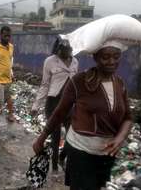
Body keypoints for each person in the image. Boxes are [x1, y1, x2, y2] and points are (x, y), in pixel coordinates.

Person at [33, 40, 133, 190]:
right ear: (96, 57)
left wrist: (120, 138)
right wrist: (41, 138)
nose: (112, 61)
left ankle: (60, 159)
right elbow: (59, 112)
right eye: (105, 57)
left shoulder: (120, 84)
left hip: (106, 156)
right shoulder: (79, 81)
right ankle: (56, 162)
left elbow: (128, 118)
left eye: (116, 56)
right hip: (81, 153)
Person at [31, 36, 79, 173]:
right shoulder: (50, 62)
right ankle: (54, 168)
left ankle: (62, 157)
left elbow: (75, 84)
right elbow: (45, 85)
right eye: (64, 49)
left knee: (72, 135)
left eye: (69, 49)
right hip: (53, 103)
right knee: (55, 136)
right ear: (58, 49)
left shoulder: (75, 62)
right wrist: (36, 106)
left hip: (69, 104)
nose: (67, 52)